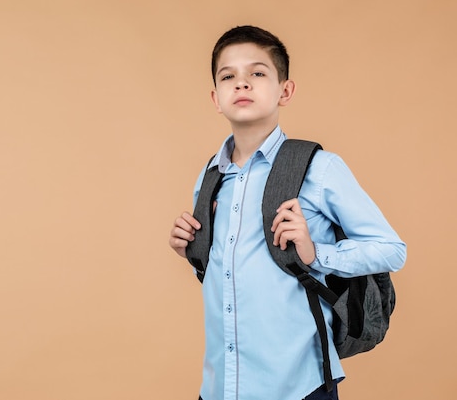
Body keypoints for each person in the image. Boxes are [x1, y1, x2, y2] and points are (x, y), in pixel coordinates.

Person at [168, 25, 406, 400]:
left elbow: (392, 249)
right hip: (219, 387)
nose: (241, 84)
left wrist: (317, 255)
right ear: (216, 97)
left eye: (257, 73)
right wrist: (193, 253)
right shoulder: (210, 176)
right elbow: (235, 275)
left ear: (285, 90)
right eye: (228, 76)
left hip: (298, 387)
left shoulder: (318, 167)